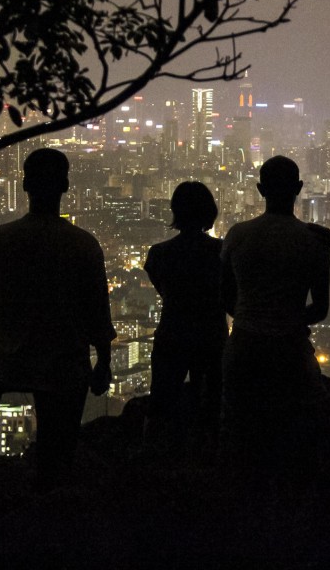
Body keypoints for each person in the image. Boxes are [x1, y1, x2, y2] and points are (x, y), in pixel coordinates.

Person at [0, 148, 116, 490]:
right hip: (64, 366)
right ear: (65, 185)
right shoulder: (82, 245)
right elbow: (97, 311)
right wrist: (103, 363)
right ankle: (53, 492)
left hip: (8, 359)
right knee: (58, 452)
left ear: (24, 185)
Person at [220, 156, 330, 492]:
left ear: (260, 189)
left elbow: (224, 295)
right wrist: (286, 317)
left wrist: (253, 314)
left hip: (244, 343)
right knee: (321, 415)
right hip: (291, 346)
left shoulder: (238, 235)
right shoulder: (313, 241)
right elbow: (319, 308)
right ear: (299, 189)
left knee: (237, 420)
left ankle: (236, 494)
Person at [143, 181, 227, 454]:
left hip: (172, 334)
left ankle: (160, 461)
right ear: (210, 212)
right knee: (212, 404)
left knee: (164, 402)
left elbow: (163, 290)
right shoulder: (223, 252)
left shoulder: (159, 254)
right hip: (212, 337)